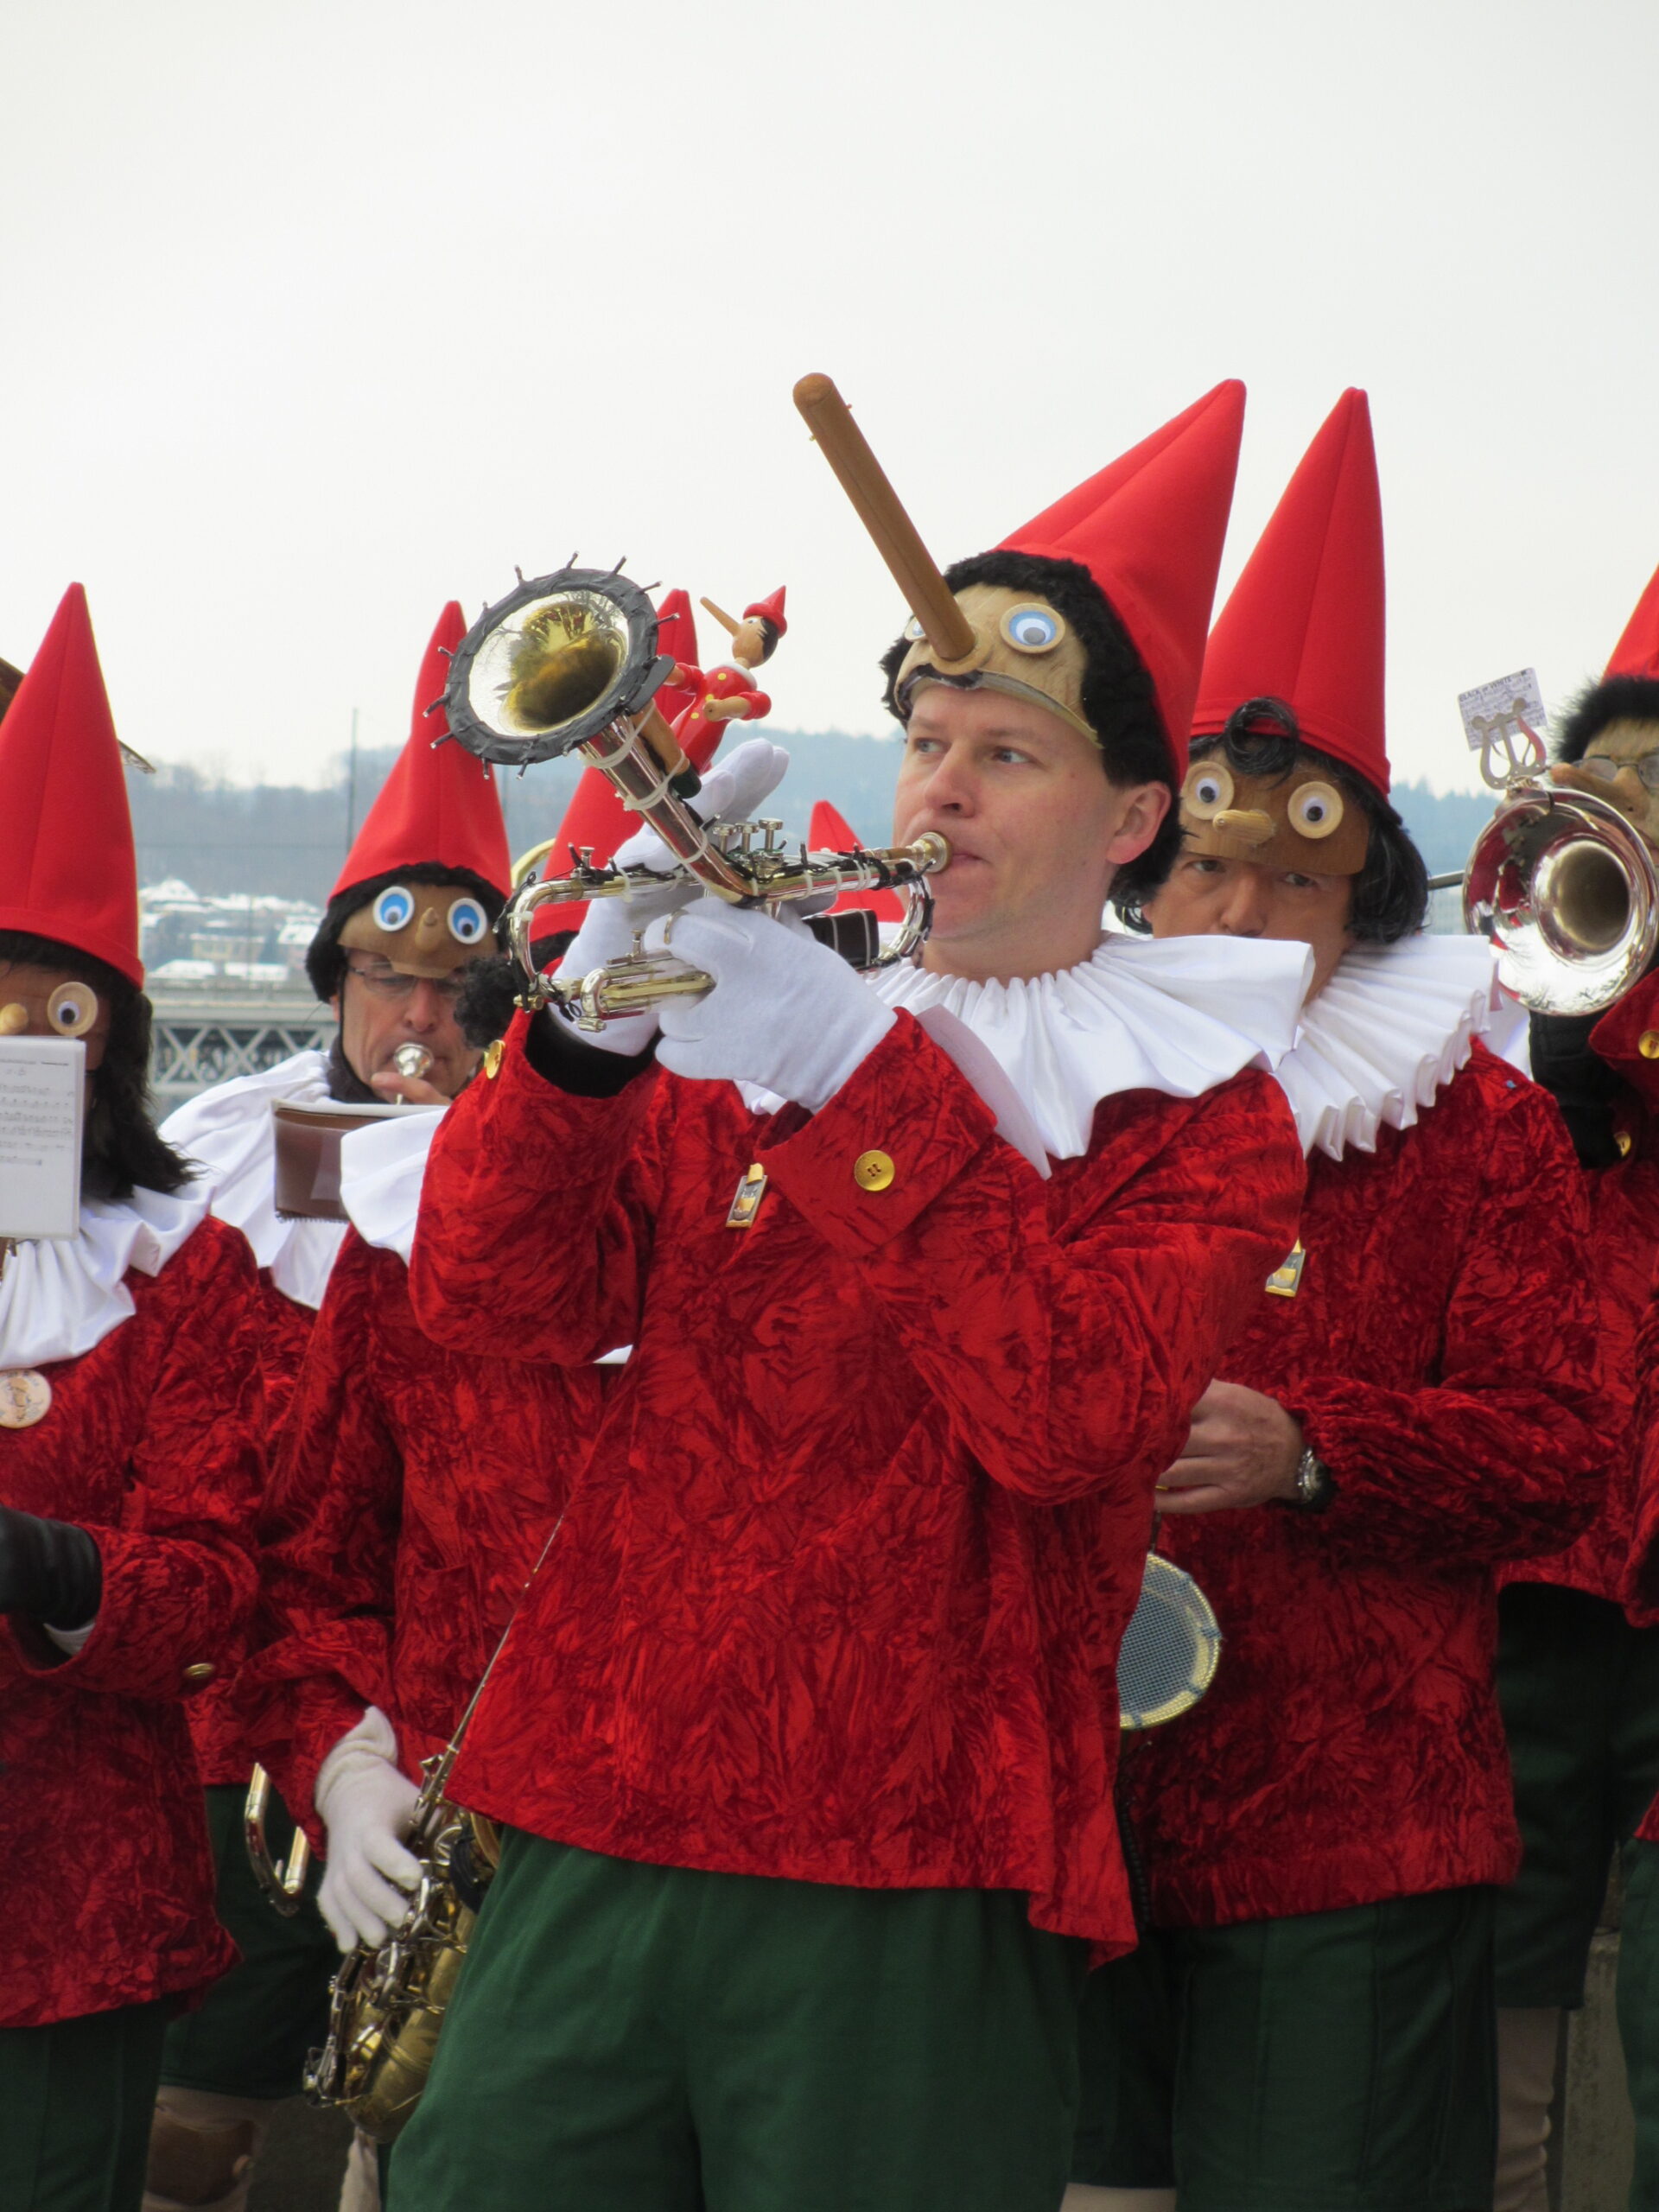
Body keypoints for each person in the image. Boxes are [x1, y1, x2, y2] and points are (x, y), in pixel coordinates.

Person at [390, 378, 1315, 2212]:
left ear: (1134, 815)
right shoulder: (767, 1016)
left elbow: (1068, 1422)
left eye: (1009, 754)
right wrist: (581, 1034)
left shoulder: (1206, 1111)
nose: (941, 788)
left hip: (917, 1856)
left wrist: (847, 1072)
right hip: (597, 1797)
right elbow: (490, 1300)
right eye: (927, 739)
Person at [1067, 390, 1618, 2212]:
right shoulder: (1061, 1093)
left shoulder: (1477, 1127)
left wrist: (1318, 1451)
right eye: (1205, 867)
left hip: (1350, 1841)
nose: (1238, 912)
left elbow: (1563, 1449)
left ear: (1362, 900)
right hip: (1064, 1818)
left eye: (1292, 879)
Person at [144, 604, 515, 2212]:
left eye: (452, 985)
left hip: (455, 1724)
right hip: (231, 1710)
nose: (416, 1019)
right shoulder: (219, 1149)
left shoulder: (548, 1174)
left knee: (421, 2124)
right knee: (184, 2129)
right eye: (383, 976)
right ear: (336, 977)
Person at [0, 585, 264, 2212]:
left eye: (55, 1009)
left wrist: (53, 1569)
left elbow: (217, 1582)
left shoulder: (181, 1271)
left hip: (66, 1903)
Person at [1491, 561, 1659, 2211]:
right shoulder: (1524, 1007)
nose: (1634, 805)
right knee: (1503, 1966)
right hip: (1543, 1562)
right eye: (1607, 779)